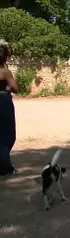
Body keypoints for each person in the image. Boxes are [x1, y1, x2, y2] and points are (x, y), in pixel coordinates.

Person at [0, 40, 19, 177]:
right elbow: (16, 88)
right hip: (2, 100)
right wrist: (8, 87)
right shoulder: (4, 71)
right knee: (7, 135)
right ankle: (5, 167)